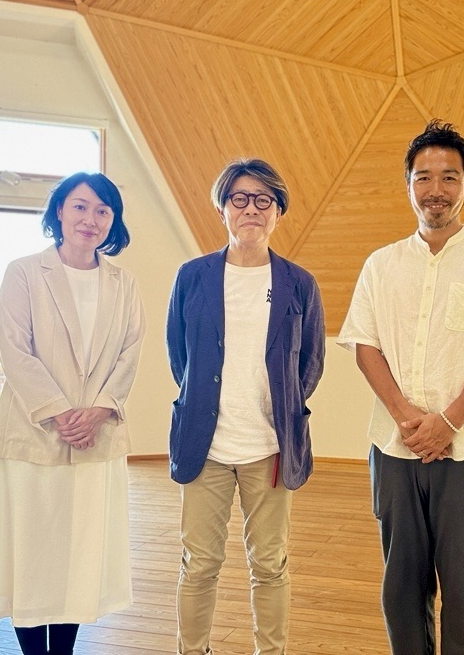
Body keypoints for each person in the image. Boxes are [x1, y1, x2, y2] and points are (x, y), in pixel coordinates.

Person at [337, 120, 464, 654]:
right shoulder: (381, 265)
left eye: (449, 177)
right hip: (395, 447)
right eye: (423, 177)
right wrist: (409, 418)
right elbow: (364, 346)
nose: (436, 189)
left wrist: (448, 423)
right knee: (401, 589)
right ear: (408, 185)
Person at [0, 172, 146, 655]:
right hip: (33, 435)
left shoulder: (124, 283)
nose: (91, 219)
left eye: (103, 210)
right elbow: (15, 350)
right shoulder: (24, 273)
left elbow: (130, 352)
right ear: (59, 212)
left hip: (96, 437)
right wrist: (60, 414)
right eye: (80, 206)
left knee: (78, 556)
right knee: (31, 553)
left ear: (112, 221)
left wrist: (99, 411)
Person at [166, 158, 325, 655]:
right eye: (239, 199)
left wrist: (282, 406)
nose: (251, 209)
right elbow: (179, 356)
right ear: (223, 209)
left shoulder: (300, 283)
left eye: (263, 200)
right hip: (204, 447)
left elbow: (311, 363)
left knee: (270, 565)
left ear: (278, 211)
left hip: (270, 447)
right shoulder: (192, 277)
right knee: (199, 564)